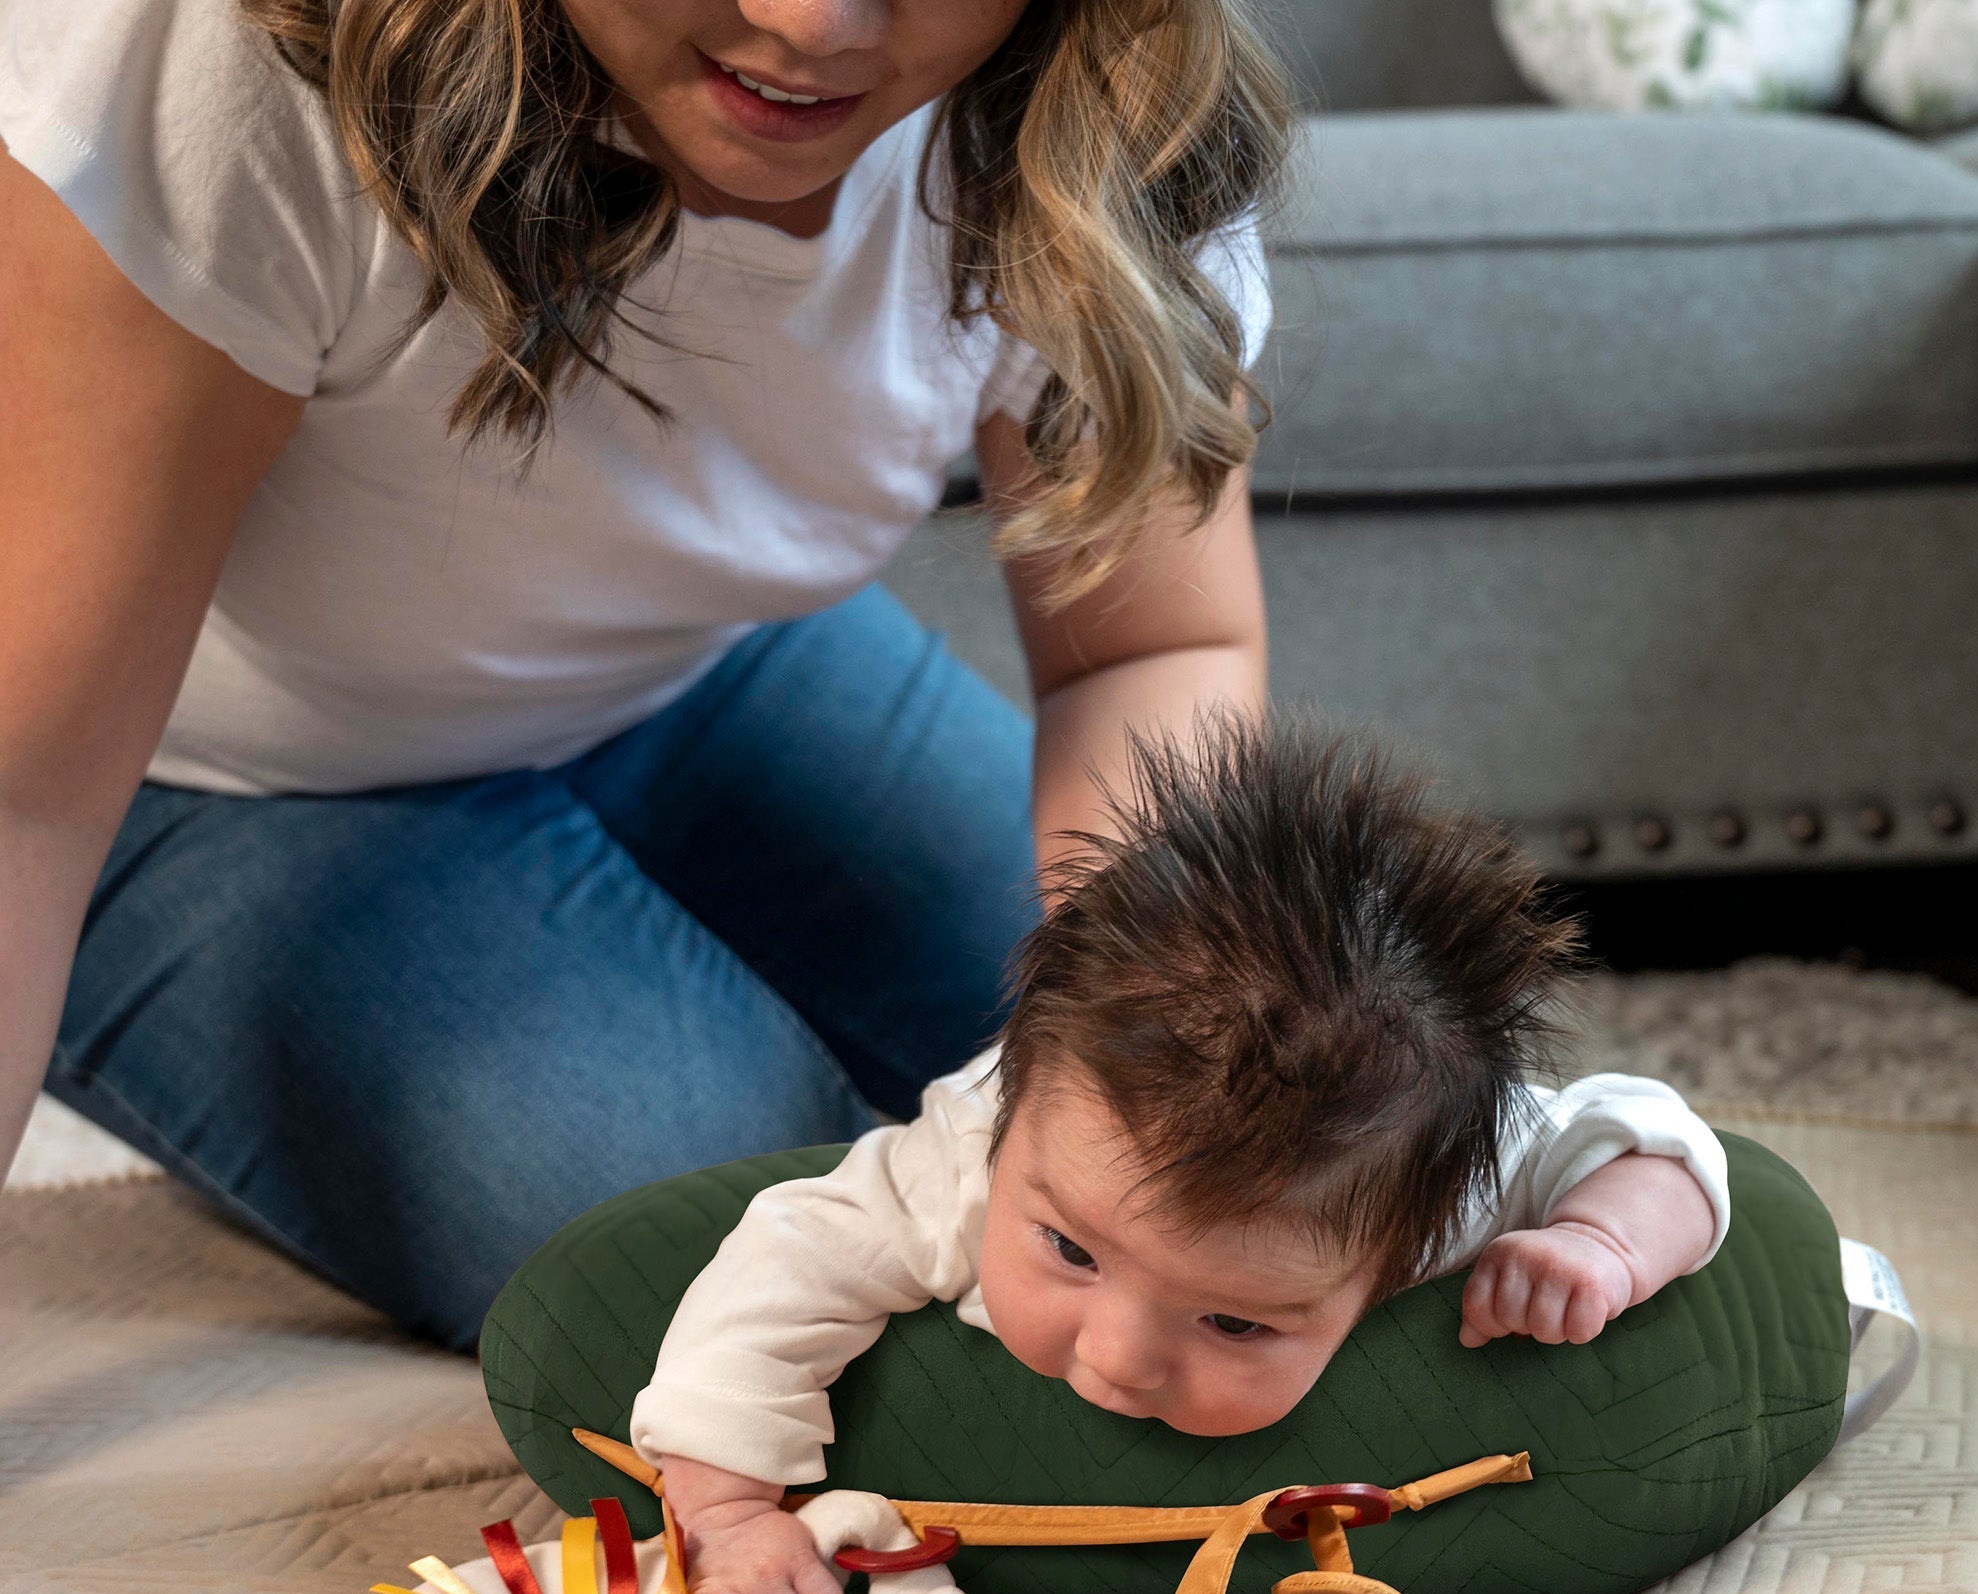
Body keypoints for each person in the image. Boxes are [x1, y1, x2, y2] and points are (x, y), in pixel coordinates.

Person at [0, 0, 1291, 1346]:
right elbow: (20, 797)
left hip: (694, 667)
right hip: (178, 768)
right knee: (748, 1270)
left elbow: (1158, 645)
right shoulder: (217, 56)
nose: (812, 25)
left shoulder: (1117, 91)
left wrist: (1160, 1062)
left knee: (1245, 1152)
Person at [629, 721, 1730, 1594]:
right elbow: (779, 1264)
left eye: (1233, 1318)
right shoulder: (969, 1157)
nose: (1115, 1356)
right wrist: (727, 1514)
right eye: (1068, 1251)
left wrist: (1601, 1244)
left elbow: (1656, 1140)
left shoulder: (1438, 1182)